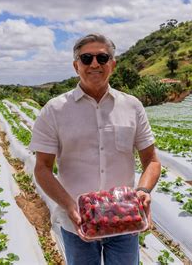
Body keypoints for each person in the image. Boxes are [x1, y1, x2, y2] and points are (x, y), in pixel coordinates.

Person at [29, 33, 161, 265]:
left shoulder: (132, 106)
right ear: (76, 65)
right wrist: (70, 206)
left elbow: (151, 160)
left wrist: (144, 191)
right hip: (77, 222)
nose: (94, 64)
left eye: (102, 57)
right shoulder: (54, 110)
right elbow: (42, 169)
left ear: (113, 63)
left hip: (125, 221)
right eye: (86, 58)